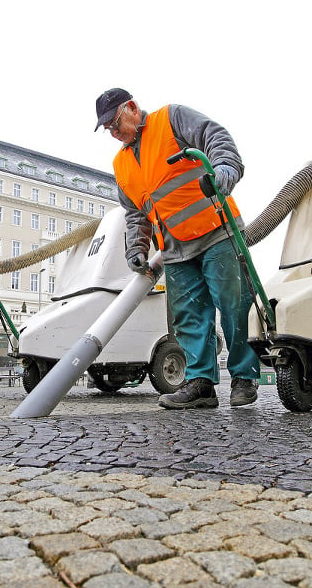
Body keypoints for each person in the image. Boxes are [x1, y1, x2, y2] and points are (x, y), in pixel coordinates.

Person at [95, 88, 261, 409]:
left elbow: (216, 137)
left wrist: (225, 168)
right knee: (188, 317)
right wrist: (136, 249)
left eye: (116, 124)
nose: (114, 133)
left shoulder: (171, 119)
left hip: (215, 231)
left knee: (233, 304)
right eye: (108, 130)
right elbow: (135, 214)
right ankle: (200, 384)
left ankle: (243, 377)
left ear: (131, 107)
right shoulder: (121, 164)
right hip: (174, 249)